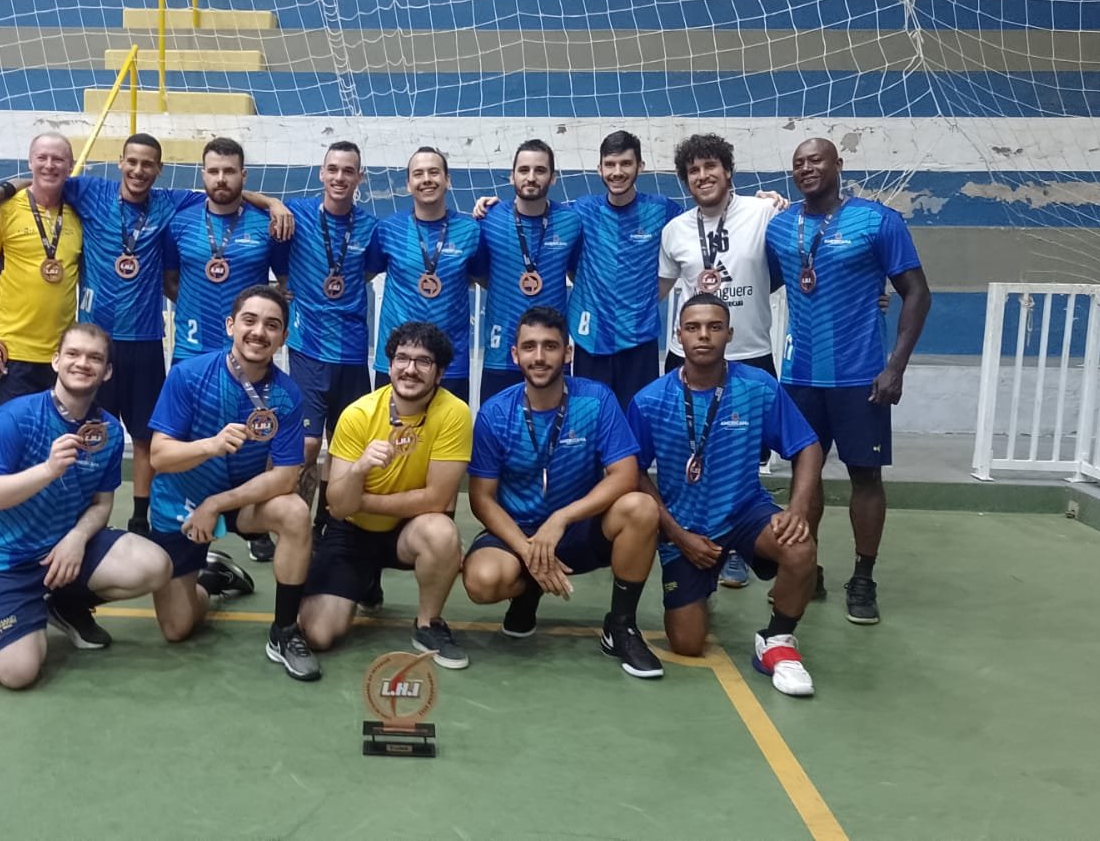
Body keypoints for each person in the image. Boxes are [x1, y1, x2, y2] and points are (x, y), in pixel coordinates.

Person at [0, 133, 294, 545]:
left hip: (144, 341)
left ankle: (143, 518)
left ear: (159, 170)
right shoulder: (90, 190)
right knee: (86, 431)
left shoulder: (173, 203)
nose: (139, 170)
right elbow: (42, 179)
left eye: (148, 164)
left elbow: (222, 192)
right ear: (120, 163)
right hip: (98, 342)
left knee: (146, 435)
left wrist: (271, 202)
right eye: (132, 162)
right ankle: (76, 512)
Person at [764, 137, 932, 625]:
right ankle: (805, 567)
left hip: (861, 377)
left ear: (839, 164)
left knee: (865, 476)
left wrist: (895, 365)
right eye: (797, 163)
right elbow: (765, 283)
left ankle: (863, 577)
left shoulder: (879, 221)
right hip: (799, 376)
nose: (806, 168)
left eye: (816, 160)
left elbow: (917, 293)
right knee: (804, 476)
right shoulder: (780, 227)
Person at [626, 293, 824, 697]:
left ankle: (777, 640)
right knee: (688, 644)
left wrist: (798, 511)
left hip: (744, 514)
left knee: (799, 546)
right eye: (694, 327)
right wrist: (680, 537)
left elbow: (808, 446)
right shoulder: (649, 401)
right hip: (685, 526)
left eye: (714, 327)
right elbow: (634, 474)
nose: (704, 336)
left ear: (729, 335)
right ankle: (703, 583)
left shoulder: (758, 388)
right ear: (678, 335)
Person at [0, 323, 174, 689]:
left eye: (95, 358)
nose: (82, 363)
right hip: (1, 558)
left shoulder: (106, 430)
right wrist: (47, 470)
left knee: (156, 565)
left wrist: (77, 537)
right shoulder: (14, 418)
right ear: (56, 361)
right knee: (20, 673)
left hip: (60, 550)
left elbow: (102, 504)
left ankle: (61, 603)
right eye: (73, 354)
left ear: (106, 372)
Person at [462, 306, 665, 679]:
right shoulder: (495, 413)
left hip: (577, 530)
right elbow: (481, 498)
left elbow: (625, 475)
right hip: (517, 533)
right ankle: (526, 593)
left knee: (640, 507)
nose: (539, 357)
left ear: (567, 353)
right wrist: (528, 550)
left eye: (550, 346)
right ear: (515, 354)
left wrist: (563, 517)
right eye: (530, 347)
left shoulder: (597, 399)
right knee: (482, 580)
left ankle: (621, 626)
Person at [146, 285, 321, 681]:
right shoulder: (188, 376)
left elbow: (285, 476)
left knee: (294, 511)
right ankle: (212, 578)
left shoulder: (287, 395)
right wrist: (209, 445)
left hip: (238, 502)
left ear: (283, 338)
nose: (259, 332)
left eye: (272, 325)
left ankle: (284, 631)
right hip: (181, 503)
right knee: (177, 629)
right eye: (250, 320)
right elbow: (159, 456)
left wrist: (218, 503)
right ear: (230, 325)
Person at [298, 322, 472, 669]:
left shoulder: (455, 414)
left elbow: (437, 499)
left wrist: (362, 501)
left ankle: (428, 624)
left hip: (407, 530)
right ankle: (365, 580)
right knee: (318, 634)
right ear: (389, 365)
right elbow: (338, 506)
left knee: (441, 531)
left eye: (423, 362)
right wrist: (359, 469)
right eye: (402, 358)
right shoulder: (358, 414)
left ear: (439, 373)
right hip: (353, 531)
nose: (410, 369)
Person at [659, 133, 783, 590]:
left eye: (711, 166)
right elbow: (660, 290)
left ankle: (734, 545)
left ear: (728, 171)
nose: (703, 176)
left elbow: (798, 260)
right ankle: (685, 535)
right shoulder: (675, 230)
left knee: (741, 457)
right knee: (692, 449)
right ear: (685, 180)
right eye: (693, 170)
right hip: (689, 356)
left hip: (748, 350)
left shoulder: (765, 212)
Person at [162, 138, 290, 566]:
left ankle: (249, 524)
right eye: (213, 171)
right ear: (203, 174)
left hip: (250, 359)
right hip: (193, 353)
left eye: (230, 171)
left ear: (243, 176)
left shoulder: (265, 225)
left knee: (254, 435)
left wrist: (271, 202)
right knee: (197, 444)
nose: (221, 178)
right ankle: (194, 534)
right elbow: (171, 279)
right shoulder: (180, 222)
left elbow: (282, 285)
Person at [280, 141, 381, 545]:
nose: (340, 177)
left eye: (348, 170)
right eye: (333, 169)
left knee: (346, 447)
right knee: (305, 446)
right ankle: (294, 522)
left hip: (353, 353)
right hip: (308, 349)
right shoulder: (297, 213)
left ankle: (331, 522)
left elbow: (370, 270)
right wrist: (271, 202)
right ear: (322, 174)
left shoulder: (370, 227)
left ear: (360, 177)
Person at [566, 131, 686, 409]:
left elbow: (702, 221)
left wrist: (763, 200)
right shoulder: (582, 209)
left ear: (640, 166)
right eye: (610, 164)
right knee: (590, 423)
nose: (617, 172)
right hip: (590, 340)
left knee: (637, 425)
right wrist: (492, 206)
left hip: (638, 340)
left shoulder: (663, 210)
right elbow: (540, 214)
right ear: (599, 169)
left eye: (625, 164)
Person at [0, 133, 84, 412]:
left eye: (58, 159)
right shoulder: (2, 212)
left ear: (70, 167)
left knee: (58, 443)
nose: (49, 165)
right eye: (42, 158)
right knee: (16, 445)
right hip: (13, 356)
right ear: (30, 162)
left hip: (62, 356)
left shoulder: (79, 213)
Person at [367, 147, 484, 404]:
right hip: (397, 361)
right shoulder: (388, 230)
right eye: (418, 174)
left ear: (448, 180)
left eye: (434, 172)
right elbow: (363, 275)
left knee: (445, 440)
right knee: (392, 440)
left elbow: (483, 279)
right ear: (409, 184)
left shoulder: (470, 231)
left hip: (450, 362)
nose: (427, 179)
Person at [472, 139, 583, 403]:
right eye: (524, 170)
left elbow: (575, 274)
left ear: (553, 178)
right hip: (501, 354)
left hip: (551, 354)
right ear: (512, 176)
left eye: (540, 170)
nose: (531, 177)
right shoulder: (489, 218)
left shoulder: (571, 222)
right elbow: (481, 275)